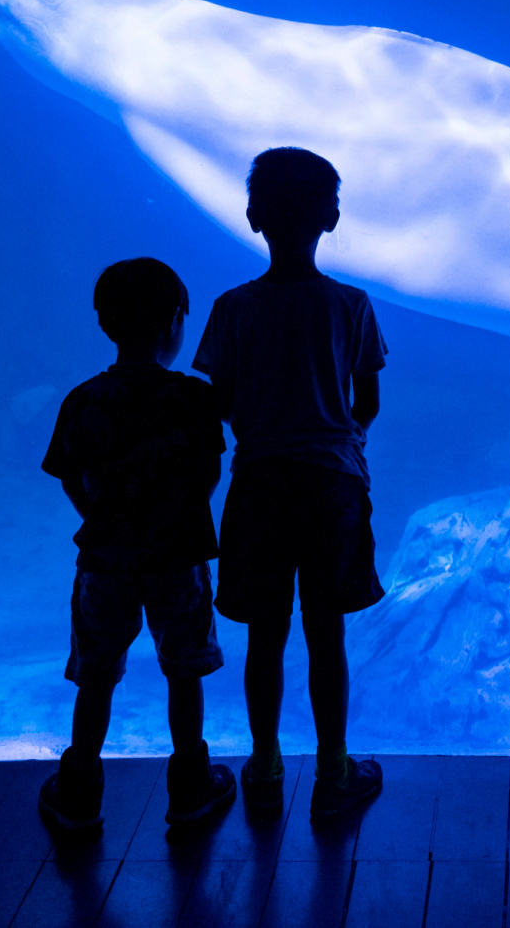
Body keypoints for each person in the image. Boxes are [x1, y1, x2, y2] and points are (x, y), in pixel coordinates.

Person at [194, 147, 387, 823]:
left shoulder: (231, 308)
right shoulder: (352, 305)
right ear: (331, 217)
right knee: (325, 629)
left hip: (260, 482)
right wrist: (334, 429)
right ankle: (334, 768)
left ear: (251, 216)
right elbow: (367, 400)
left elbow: (218, 400)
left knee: (266, 633)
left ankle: (266, 761)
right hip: (332, 482)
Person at [36, 257, 236, 834]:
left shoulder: (82, 400)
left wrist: (104, 515)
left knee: (97, 673)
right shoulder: (193, 400)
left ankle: (78, 790)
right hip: (177, 557)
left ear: (104, 322)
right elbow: (206, 474)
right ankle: (190, 786)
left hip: (105, 561)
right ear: (176, 321)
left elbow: (70, 476)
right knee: (183, 670)